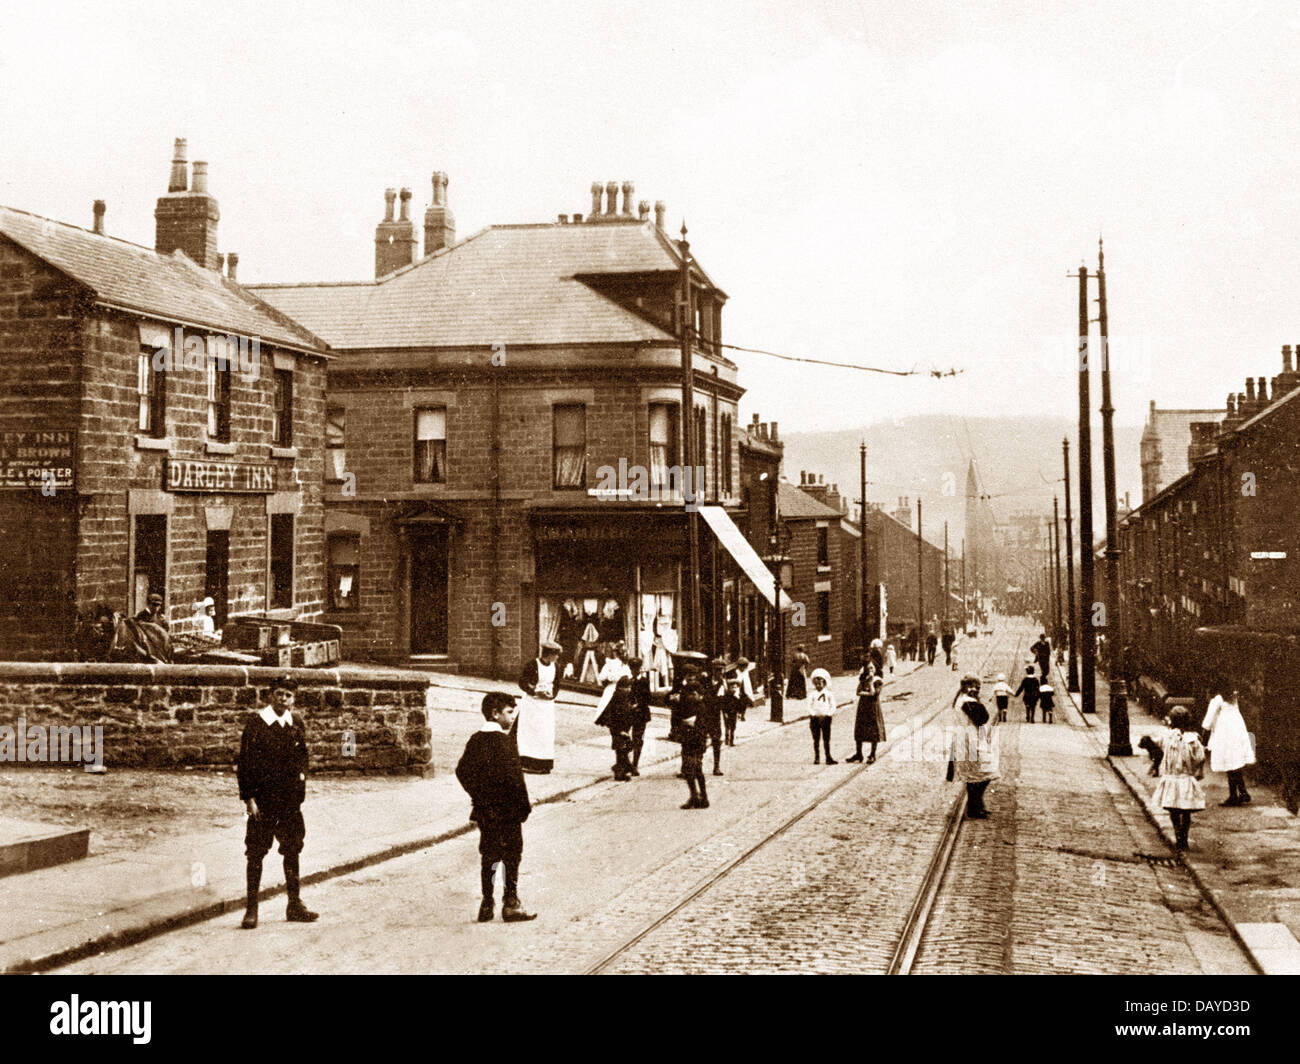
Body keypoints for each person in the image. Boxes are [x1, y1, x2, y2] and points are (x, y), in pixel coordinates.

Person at [237, 673, 317, 929]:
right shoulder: (257, 724)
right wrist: (249, 798)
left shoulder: (296, 722)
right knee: (256, 852)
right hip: (264, 800)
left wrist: (301, 780)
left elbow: (302, 756)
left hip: (290, 801)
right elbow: (245, 764)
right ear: (271, 695)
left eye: (288, 695)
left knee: (293, 848)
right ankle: (252, 909)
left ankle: (294, 904)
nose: (283, 699)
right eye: (279, 694)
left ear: (293, 699)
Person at [456, 691, 537, 922]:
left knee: (489, 854)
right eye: (509, 712)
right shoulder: (505, 742)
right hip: (509, 811)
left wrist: (479, 796)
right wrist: (524, 807)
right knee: (512, 853)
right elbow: (515, 779)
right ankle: (511, 902)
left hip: (485, 810)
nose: (512, 717)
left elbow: (462, 771)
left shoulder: (476, 740)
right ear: (495, 714)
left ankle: (486, 903)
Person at [1153, 706, 1207, 851]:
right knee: (1186, 811)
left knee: (1174, 811)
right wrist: (1193, 770)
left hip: (1171, 779)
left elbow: (1157, 744)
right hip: (1186, 779)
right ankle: (1184, 837)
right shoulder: (1193, 739)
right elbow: (1200, 757)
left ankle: (1178, 836)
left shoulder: (1167, 737)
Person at [946, 674, 999, 819]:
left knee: (973, 776)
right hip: (970, 742)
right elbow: (983, 718)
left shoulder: (960, 700)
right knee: (985, 772)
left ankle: (976, 806)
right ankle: (974, 806)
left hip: (965, 740)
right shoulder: (968, 701)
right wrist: (979, 701)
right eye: (977, 687)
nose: (978, 690)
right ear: (970, 687)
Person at [1202, 684, 1254, 806]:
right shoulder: (1233, 698)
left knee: (1230, 765)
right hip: (1237, 732)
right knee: (1235, 764)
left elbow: (1208, 720)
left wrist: (1203, 734)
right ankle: (1242, 792)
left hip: (1225, 734)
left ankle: (1234, 795)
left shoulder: (1217, 700)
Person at [517, 640, 561, 773]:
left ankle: (544, 763)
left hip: (546, 706)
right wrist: (533, 690)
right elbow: (522, 681)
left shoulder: (556, 667)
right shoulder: (532, 665)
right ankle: (528, 762)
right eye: (555, 654)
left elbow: (557, 684)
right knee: (530, 731)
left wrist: (552, 695)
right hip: (532, 704)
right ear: (549, 654)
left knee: (545, 732)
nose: (557, 657)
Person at [594, 675, 636, 781]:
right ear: (621, 687)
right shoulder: (618, 698)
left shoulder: (623, 698)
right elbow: (615, 717)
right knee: (621, 750)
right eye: (627, 687)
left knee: (623, 750)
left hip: (623, 729)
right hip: (619, 729)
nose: (629, 690)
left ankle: (623, 769)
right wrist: (620, 731)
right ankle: (621, 771)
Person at [678, 689, 710, 809]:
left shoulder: (702, 708)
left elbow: (703, 726)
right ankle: (696, 796)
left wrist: (691, 724)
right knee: (690, 770)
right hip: (687, 741)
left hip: (697, 742)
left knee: (695, 769)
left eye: (694, 694)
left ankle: (700, 797)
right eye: (689, 693)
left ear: (700, 695)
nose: (691, 696)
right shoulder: (686, 706)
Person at [848, 668, 885, 763]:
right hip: (863, 707)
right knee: (860, 729)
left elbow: (874, 693)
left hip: (873, 707)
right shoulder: (863, 680)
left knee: (873, 729)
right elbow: (858, 692)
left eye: (872, 668)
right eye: (869, 669)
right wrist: (866, 689)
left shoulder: (878, 681)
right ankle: (859, 754)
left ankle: (872, 754)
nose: (871, 671)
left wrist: (870, 683)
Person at [700, 659, 727, 776]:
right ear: (713, 670)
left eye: (721, 670)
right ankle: (698, 766)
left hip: (715, 716)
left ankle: (716, 766)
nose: (719, 673)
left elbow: (725, 702)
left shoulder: (723, 684)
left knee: (716, 741)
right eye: (717, 670)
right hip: (703, 715)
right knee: (700, 741)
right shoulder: (704, 681)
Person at [808, 667, 837, 765]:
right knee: (816, 739)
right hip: (815, 718)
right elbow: (809, 706)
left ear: (824, 683)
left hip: (825, 718)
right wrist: (813, 714)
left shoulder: (828, 694)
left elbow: (833, 706)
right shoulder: (812, 694)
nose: (818, 685)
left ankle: (828, 757)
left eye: (820, 683)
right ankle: (817, 757)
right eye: (816, 683)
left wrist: (828, 714)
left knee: (826, 738)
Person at [628, 659, 653, 775]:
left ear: (639, 669)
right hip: (629, 713)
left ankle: (635, 765)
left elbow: (648, 698)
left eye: (636, 668)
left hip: (640, 713)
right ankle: (627, 764)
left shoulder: (644, 681)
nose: (634, 671)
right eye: (632, 668)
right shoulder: (628, 680)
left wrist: (638, 704)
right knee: (627, 739)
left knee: (638, 739)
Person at [719, 669, 748, 747]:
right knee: (727, 726)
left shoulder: (736, 697)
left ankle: (731, 740)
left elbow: (739, 706)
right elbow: (723, 705)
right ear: (729, 688)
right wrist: (724, 713)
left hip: (734, 713)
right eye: (732, 687)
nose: (734, 689)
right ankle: (727, 739)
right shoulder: (726, 696)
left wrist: (739, 713)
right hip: (727, 713)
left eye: (735, 687)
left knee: (733, 726)